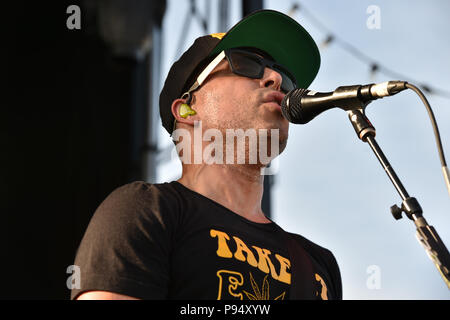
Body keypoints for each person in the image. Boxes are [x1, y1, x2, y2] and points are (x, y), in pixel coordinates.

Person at [71, 9, 342, 300]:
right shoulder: (145, 212)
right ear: (187, 109)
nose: (275, 78)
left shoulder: (317, 264)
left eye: (287, 80)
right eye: (247, 64)